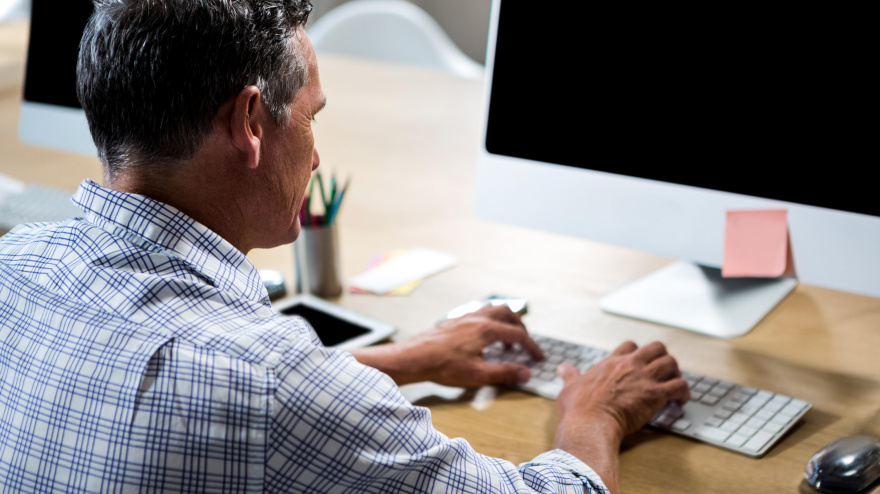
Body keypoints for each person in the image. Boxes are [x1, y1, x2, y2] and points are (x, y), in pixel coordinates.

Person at [0, 1, 689, 492]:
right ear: (249, 122)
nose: (319, 153)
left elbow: (185, 380)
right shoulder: (272, 383)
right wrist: (591, 418)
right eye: (310, 115)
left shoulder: (15, 267)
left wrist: (398, 361)